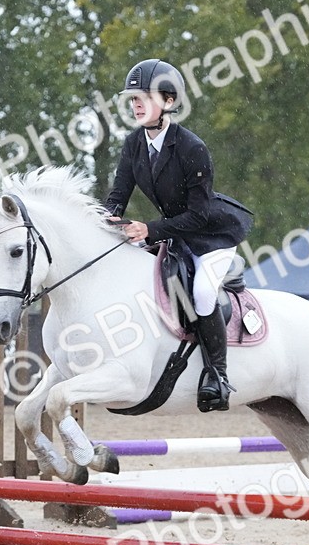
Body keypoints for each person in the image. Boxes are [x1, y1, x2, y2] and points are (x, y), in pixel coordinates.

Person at [103, 58, 254, 412]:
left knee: (202, 291)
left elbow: (199, 215)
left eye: (144, 97)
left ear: (168, 102)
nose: (136, 104)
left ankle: (218, 375)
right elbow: (117, 197)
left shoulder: (191, 147)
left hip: (209, 235)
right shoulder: (133, 144)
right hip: (173, 232)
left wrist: (150, 229)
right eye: (133, 99)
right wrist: (103, 222)